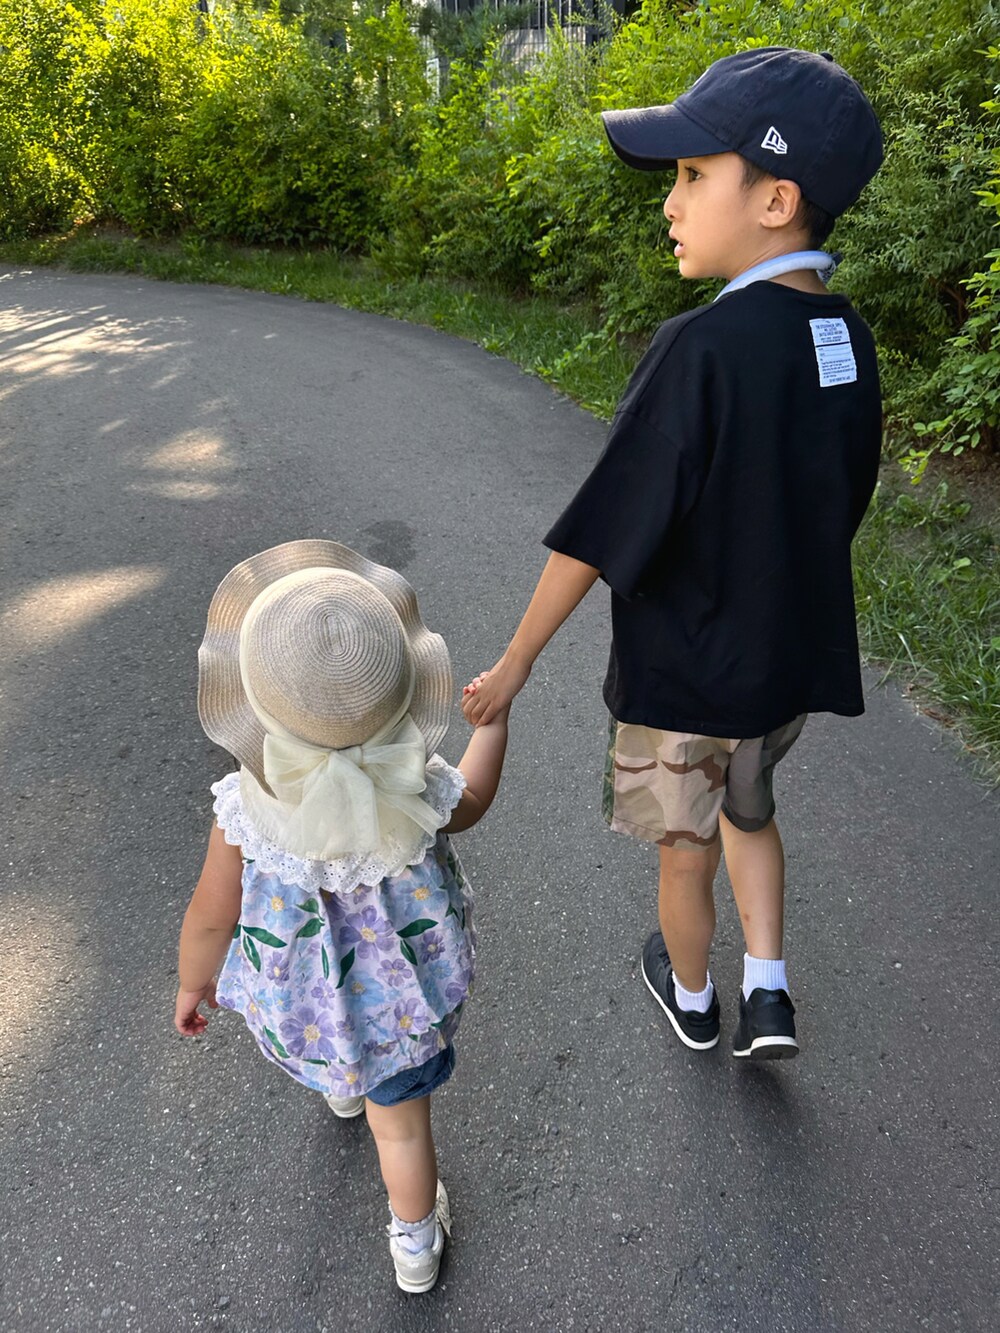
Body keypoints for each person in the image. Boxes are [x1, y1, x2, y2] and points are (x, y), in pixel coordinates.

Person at [463, 48, 884, 1062]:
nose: (671, 201)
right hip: (781, 669)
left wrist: (516, 663)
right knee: (752, 805)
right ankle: (768, 990)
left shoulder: (696, 349)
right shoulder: (845, 342)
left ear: (776, 200)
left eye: (696, 175)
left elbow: (604, 527)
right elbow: (843, 496)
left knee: (683, 850)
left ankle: (693, 996)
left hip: (684, 677)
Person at [174, 540, 508, 1293]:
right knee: (403, 1129)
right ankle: (414, 1243)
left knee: (340, 1045)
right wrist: (493, 724)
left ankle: (339, 1080)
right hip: (402, 1007)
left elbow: (210, 915)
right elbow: (476, 800)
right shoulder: (414, 780)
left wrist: (194, 982)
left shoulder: (245, 812)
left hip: (314, 1007)